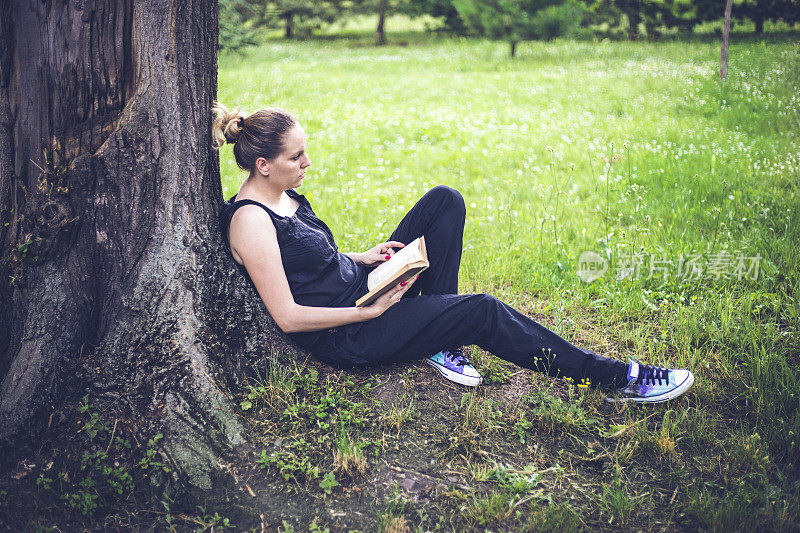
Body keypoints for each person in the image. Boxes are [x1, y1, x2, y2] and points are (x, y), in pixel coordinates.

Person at [212, 102, 695, 403]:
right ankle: (613, 378)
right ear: (263, 165)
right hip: (348, 332)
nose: (307, 162)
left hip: (360, 287)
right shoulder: (250, 221)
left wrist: (363, 259)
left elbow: (311, 259)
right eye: (296, 156)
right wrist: (369, 313)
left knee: (444, 200)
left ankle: (439, 340)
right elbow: (289, 316)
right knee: (481, 311)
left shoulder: (283, 195)